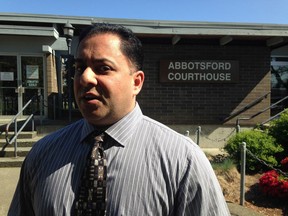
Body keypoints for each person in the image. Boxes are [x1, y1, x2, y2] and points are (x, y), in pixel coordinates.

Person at [8, 23, 230, 216]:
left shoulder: (183, 162)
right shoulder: (42, 154)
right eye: (79, 67)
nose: (85, 78)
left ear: (136, 82)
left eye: (103, 68)